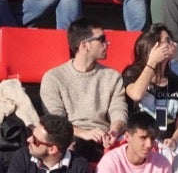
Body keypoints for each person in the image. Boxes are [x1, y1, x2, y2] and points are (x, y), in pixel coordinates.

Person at [38, 23, 129, 162]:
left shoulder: (112, 76)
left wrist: (114, 132)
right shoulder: (54, 77)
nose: (107, 43)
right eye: (101, 39)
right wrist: (84, 133)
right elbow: (56, 122)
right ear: (84, 45)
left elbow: (119, 110)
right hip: (70, 137)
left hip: (102, 137)